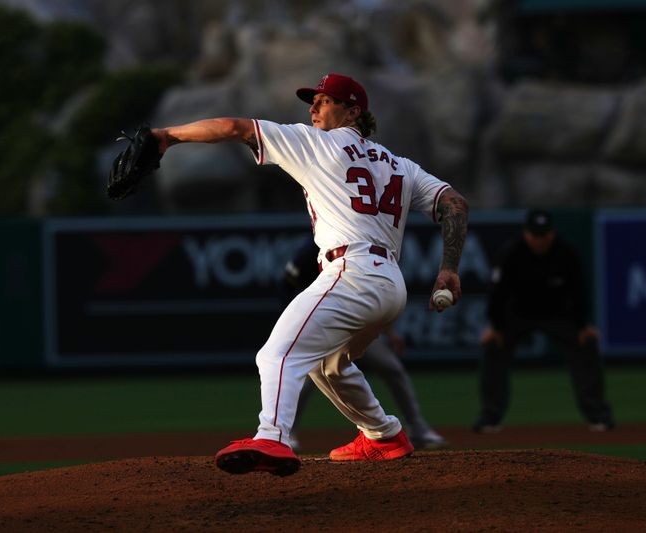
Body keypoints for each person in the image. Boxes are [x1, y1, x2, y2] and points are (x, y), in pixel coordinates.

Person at [151, 73, 468, 476]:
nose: (313, 108)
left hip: (351, 272)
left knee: (276, 354)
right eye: (312, 101)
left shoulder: (316, 143)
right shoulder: (401, 165)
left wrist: (166, 135)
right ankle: (383, 435)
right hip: (390, 283)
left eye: (325, 100)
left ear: (353, 111)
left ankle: (273, 436)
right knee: (328, 365)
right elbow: (454, 202)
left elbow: (233, 128)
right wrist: (449, 269)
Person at [281, 237, 447, 451]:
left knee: (392, 369)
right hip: (324, 326)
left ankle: (418, 428)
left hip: (356, 324)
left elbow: (371, 295)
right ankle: (288, 433)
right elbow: (287, 283)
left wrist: (390, 333)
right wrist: (295, 323)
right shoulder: (315, 245)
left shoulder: (365, 241)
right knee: (311, 378)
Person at [473, 208, 614, 433]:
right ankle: (490, 417)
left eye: (544, 235)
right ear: (526, 234)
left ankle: (598, 415)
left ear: (552, 233)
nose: (540, 240)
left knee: (586, 344)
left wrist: (582, 325)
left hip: (557, 313)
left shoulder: (566, 252)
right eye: (535, 235)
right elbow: (498, 292)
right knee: (492, 347)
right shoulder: (511, 252)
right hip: (518, 313)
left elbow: (580, 291)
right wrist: (496, 326)